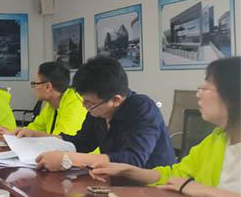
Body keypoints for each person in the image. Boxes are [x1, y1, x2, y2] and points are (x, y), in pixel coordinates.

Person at [90, 57, 241, 197]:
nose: (198, 94)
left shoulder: (141, 106)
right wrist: (128, 171)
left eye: (206, 88)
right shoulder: (217, 140)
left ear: (234, 94)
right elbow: (174, 175)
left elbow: (187, 185)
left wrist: (199, 189)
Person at [33, 56, 176, 171]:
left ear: (115, 100)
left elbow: (133, 159)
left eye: (90, 103)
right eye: (84, 101)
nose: (85, 106)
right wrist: (40, 137)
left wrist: (68, 159)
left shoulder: (142, 108)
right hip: (115, 182)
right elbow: (81, 142)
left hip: (154, 188)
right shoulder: (99, 111)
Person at [0, 61, 86, 138]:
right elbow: (34, 129)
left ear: (47, 87)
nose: (34, 88)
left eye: (35, 84)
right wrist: (7, 132)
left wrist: (28, 134)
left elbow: (63, 143)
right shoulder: (52, 105)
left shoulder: (75, 106)